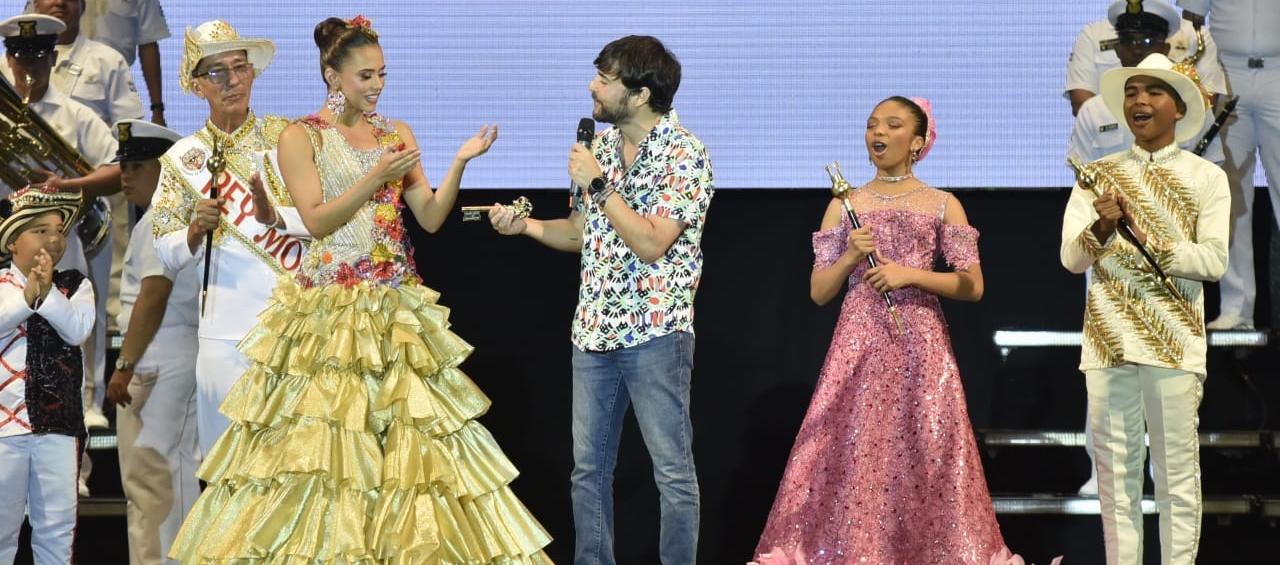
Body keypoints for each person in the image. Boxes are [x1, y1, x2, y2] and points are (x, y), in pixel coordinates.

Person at [169, 16, 551, 562]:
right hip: (330, 311)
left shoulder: (397, 133)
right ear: (333, 76)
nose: (376, 86)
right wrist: (375, 177)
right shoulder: (302, 136)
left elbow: (432, 216)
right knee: (325, 449)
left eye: (383, 75)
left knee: (410, 449)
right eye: (365, 75)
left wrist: (461, 161)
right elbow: (317, 220)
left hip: (395, 307)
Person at [751, 96, 1004, 564]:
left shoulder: (943, 204)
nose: (877, 134)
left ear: (919, 141)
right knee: (855, 454)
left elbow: (972, 285)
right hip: (859, 345)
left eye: (892, 125)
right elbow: (819, 291)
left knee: (925, 451)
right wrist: (849, 255)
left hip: (920, 346)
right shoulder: (845, 205)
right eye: (871, 125)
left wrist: (912, 275)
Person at [489, 34, 711, 565]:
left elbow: (652, 242)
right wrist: (525, 229)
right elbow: (580, 232)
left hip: (657, 330)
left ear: (638, 94)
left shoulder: (686, 154)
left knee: (672, 471)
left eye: (605, 79)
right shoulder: (602, 150)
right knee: (588, 471)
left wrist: (600, 184)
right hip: (593, 329)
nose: (593, 87)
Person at [1060, 53, 1229, 565]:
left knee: (1177, 475)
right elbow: (1072, 258)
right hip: (1109, 344)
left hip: (1174, 344)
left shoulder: (1206, 177)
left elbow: (1215, 260)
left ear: (1178, 108)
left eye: (1153, 93)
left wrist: (1155, 241)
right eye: (1132, 92)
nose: (1139, 101)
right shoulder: (1099, 175)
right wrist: (1104, 227)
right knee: (1116, 480)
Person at [149, 19, 307, 456]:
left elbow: (322, 219)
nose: (233, 81)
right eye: (217, 73)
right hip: (224, 333)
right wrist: (195, 229)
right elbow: (164, 245)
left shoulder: (289, 137)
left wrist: (277, 218)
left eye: (240, 67)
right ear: (198, 86)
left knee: (294, 464)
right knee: (227, 466)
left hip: (296, 324)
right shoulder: (183, 158)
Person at [106, 118, 197, 565]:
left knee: (151, 482)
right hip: (173, 352)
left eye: (138, 165)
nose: (126, 174)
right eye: (124, 164)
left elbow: (153, 295)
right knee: (172, 478)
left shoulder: (162, 221)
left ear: (165, 169)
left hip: (156, 355)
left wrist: (124, 364)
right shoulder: (173, 218)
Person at [0, 188, 96, 563]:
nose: (54, 239)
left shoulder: (76, 285)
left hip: (59, 427)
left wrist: (46, 294)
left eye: (59, 230)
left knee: (56, 534)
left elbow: (76, 330)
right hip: (4, 432)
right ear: (12, 241)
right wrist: (27, 297)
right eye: (40, 230)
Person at [1178, 0, 1280, 330]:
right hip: (1225, 74)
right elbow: (1192, 17)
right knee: (1230, 197)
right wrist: (1196, 75)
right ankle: (1237, 309)